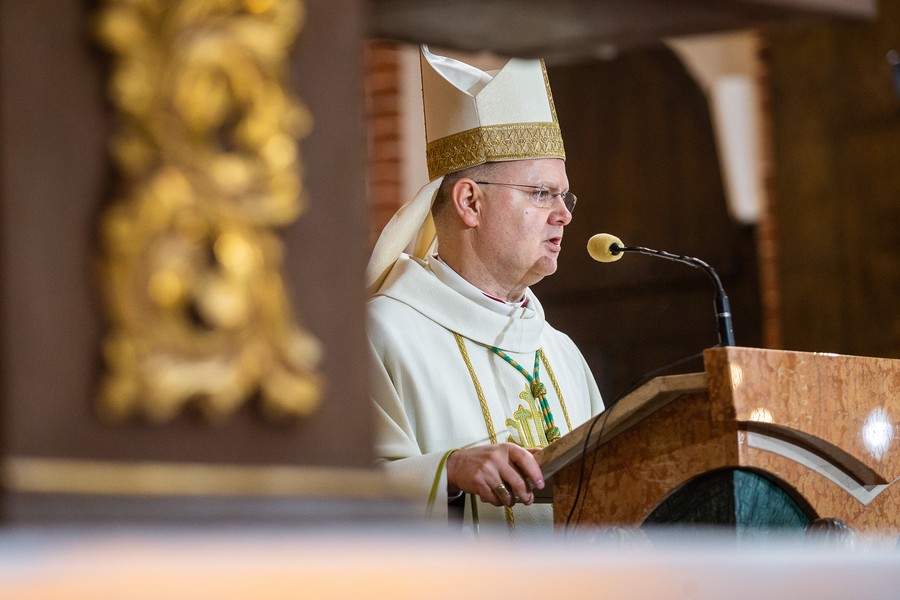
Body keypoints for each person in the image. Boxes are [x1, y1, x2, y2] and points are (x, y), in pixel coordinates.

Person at [367, 46, 604, 533]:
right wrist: (448, 473)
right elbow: (334, 496)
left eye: (564, 195)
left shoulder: (559, 352)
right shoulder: (381, 334)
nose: (565, 215)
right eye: (541, 193)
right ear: (469, 201)